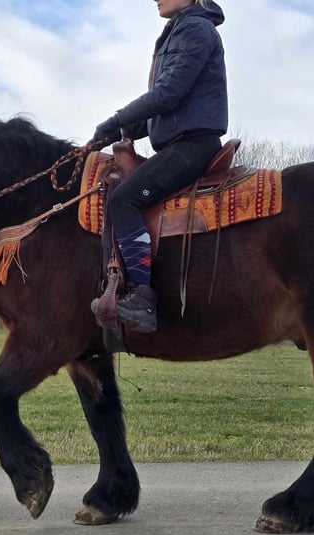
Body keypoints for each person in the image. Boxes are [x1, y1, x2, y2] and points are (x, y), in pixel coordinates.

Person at [91, 0, 228, 333]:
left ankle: (142, 294)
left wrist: (116, 120)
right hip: (177, 142)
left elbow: (168, 93)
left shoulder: (195, 28)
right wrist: (122, 130)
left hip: (193, 145)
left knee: (123, 199)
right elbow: (166, 105)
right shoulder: (180, 29)